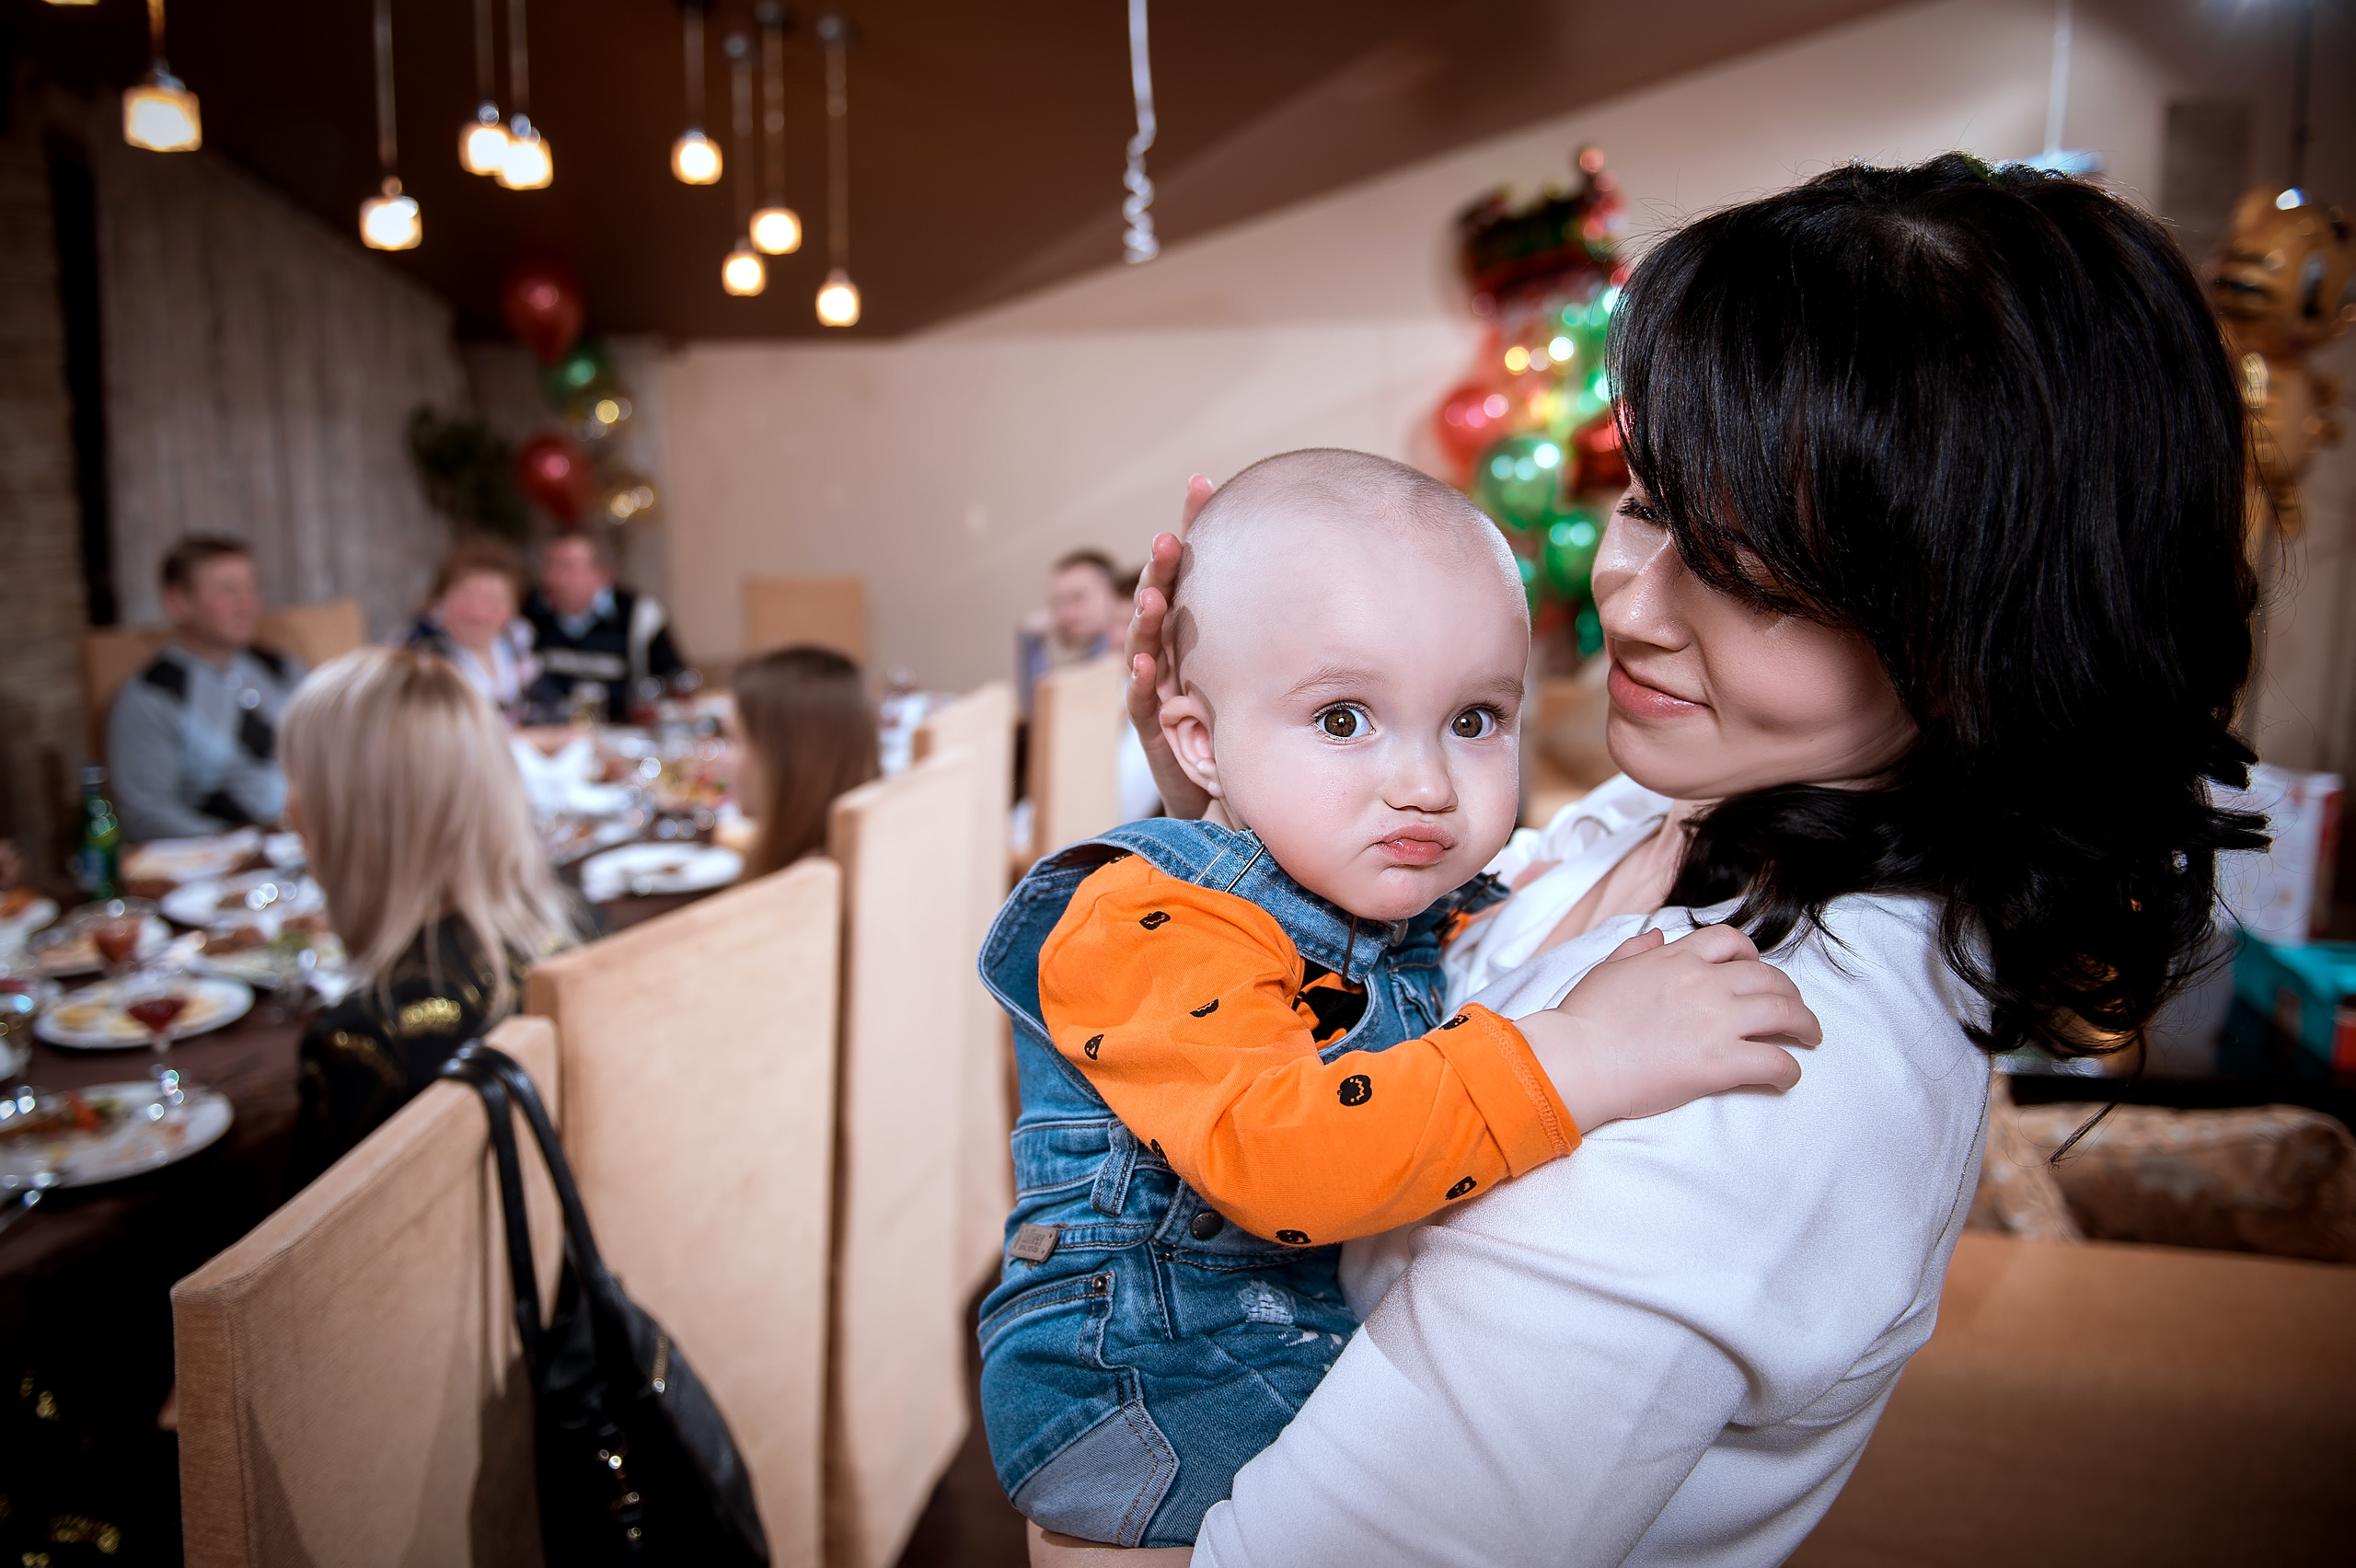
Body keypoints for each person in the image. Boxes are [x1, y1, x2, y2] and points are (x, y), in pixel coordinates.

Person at [1109, 157, 2260, 1563]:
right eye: (1651, 503)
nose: (1627, 603)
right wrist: (1240, 792)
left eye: (1758, 576)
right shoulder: (1686, 819)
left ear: (1991, 638)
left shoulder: (1751, 1066)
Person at [978, 450, 1811, 1548]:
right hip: (1142, 1382)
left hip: (1271, 1337)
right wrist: (1578, 1055)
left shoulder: (1403, 888)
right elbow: (1284, 1158)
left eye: (1472, 720)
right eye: (1341, 720)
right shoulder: (1146, 920)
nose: (1424, 782)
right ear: (1193, 738)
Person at [279, 646, 585, 1184]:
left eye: (299, 781)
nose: (287, 807)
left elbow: (322, 1264)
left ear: (348, 815)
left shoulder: (363, 1042)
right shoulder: (584, 930)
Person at [107, 536, 306, 842]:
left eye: (251, 587)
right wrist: (242, 846)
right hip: (230, 859)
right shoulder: (151, 697)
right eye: (227, 590)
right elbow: (145, 814)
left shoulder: (281, 668)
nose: (247, 604)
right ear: (179, 602)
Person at [729, 646, 882, 877]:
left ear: (786, 761)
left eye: (735, 740)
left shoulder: (800, 888)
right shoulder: (865, 858)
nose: (721, 761)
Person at [523, 531, 687, 723]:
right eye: (549, 566)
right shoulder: (529, 615)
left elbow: (674, 685)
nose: (553, 578)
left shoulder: (639, 615)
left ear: (603, 574)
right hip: (549, 738)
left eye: (566, 567)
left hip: (624, 738)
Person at [401, 537, 538, 723]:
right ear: (441, 599)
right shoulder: (420, 657)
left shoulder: (515, 647)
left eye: (493, 601)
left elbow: (546, 708)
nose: (478, 613)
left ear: (513, 609)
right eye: (466, 597)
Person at [1017, 548, 1126, 717]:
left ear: (1113, 595)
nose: (1066, 614)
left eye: (1077, 598)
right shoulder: (1082, 667)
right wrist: (1032, 645)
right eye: (1057, 604)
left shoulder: (1129, 658)